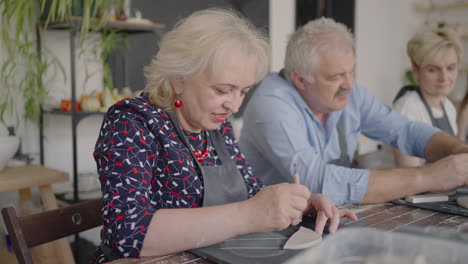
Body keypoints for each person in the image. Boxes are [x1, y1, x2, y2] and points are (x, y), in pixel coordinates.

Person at [91, 9, 356, 263]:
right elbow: (126, 233)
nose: (234, 106)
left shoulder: (217, 127)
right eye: (222, 90)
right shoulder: (133, 122)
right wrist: (249, 214)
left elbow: (252, 194)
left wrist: (299, 204)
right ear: (179, 78)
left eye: (242, 92)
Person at [239, 17, 468, 206]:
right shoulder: (272, 104)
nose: (349, 84)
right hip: (268, 230)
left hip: (327, 215)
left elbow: (404, 130)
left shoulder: (350, 92)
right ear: (300, 79)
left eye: (351, 71)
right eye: (336, 76)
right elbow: (317, 180)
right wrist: (430, 177)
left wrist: (457, 149)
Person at [392, 27, 463, 167]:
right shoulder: (407, 107)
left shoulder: (447, 105)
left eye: (450, 68)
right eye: (433, 70)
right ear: (416, 71)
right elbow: (410, 175)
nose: (444, 78)